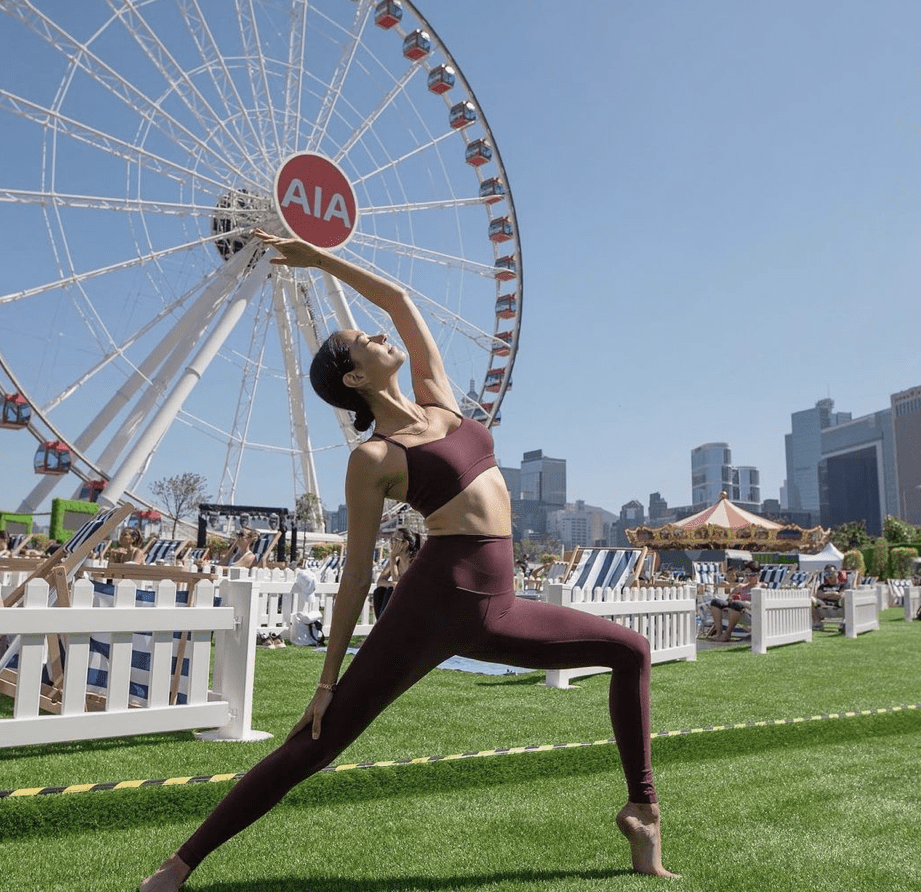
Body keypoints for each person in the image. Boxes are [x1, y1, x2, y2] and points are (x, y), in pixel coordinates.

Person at [138, 230, 679, 889]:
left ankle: (643, 810)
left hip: (497, 606)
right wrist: (325, 682)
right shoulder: (373, 459)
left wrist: (318, 258)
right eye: (362, 342)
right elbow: (358, 575)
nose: (377, 334)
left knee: (630, 651)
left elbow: (396, 300)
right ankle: (177, 866)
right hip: (434, 603)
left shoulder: (440, 399)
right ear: (356, 379)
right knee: (319, 743)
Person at [372, 527, 420, 618]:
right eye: (391, 539)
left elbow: (400, 586)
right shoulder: (395, 559)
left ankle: (383, 625)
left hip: (413, 600)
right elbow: (380, 581)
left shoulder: (414, 562)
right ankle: (381, 625)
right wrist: (392, 583)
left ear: (405, 544)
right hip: (400, 599)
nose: (391, 542)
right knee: (379, 592)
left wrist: (393, 559)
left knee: (390, 591)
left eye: (395, 540)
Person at [708, 561, 761, 641]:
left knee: (736, 604)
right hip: (734, 609)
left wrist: (742, 602)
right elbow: (729, 599)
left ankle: (727, 633)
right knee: (715, 602)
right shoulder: (741, 587)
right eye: (746, 575)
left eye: (751, 575)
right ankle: (718, 632)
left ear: (758, 575)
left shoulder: (761, 588)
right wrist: (732, 598)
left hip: (749, 614)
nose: (748, 577)